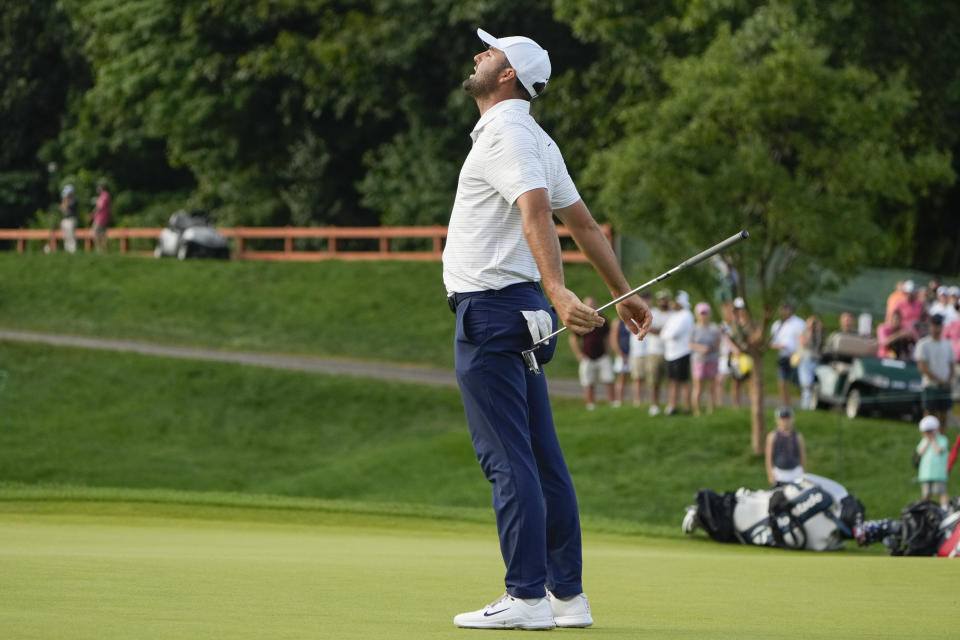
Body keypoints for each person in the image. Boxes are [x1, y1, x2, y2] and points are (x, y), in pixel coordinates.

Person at [443, 28, 650, 630]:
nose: (480, 54)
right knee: (541, 459)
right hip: (522, 311)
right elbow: (584, 225)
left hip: (493, 311)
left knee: (509, 461)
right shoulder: (533, 136)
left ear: (508, 74)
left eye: (491, 51)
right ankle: (567, 597)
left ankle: (527, 595)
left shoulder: (508, 133)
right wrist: (624, 294)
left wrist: (560, 290)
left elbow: (540, 214)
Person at [570, 297, 615, 410]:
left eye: (592, 304)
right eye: (588, 304)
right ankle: (591, 404)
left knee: (609, 379)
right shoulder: (581, 320)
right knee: (588, 381)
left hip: (602, 355)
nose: (591, 306)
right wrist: (579, 354)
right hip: (587, 355)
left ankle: (613, 402)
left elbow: (608, 336)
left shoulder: (602, 319)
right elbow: (574, 338)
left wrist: (609, 351)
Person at [915, 314, 955, 428]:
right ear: (930, 326)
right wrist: (939, 380)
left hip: (945, 386)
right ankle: (928, 442)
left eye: (939, 325)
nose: (937, 328)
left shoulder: (947, 344)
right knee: (929, 415)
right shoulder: (923, 344)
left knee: (943, 415)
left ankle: (942, 440)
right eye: (935, 325)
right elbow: (922, 367)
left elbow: (951, 365)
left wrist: (948, 380)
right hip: (930, 385)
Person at [661, 290, 694, 416]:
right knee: (672, 381)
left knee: (684, 381)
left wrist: (667, 334)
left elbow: (673, 333)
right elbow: (664, 333)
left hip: (682, 352)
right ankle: (672, 406)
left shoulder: (686, 315)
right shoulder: (674, 315)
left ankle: (686, 407)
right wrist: (667, 334)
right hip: (671, 353)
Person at [769, 301, 806, 408]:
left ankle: (804, 404)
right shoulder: (777, 325)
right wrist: (781, 346)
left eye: (787, 308)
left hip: (796, 357)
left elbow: (802, 339)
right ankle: (785, 405)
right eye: (783, 308)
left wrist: (798, 350)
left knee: (799, 382)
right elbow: (772, 342)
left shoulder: (798, 323)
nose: (785, 311)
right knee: (782, 382)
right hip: (783, 356)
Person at [689, 301, 721, 416]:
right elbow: (690, 344)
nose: (703, 316)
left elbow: (718, 341)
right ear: (697, 314)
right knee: (698, 386)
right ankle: (697, 410)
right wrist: (701, 348)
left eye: (705, 313)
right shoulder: (694, 328)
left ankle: (711, 409)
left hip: (712, 358)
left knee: (711, 386)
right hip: (698, 360)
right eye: (701, 313)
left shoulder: (713, 328)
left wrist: (711, 347)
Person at [764, 406, 807, 486]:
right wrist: (770, 475)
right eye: (782, 419)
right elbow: (768, 457)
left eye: (788, 419)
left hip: (795, 472)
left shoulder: (798, 436)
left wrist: (803, 472)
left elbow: (802, 455)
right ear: (777, 420)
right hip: (779, 473)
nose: (785, 421)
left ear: (792, 419)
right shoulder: (772, 436)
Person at [644, 290, 671, 415]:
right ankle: (654, 405)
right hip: (654, 352)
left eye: (665, 299)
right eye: (661, 299)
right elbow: (650, 328)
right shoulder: (653, 313)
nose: (663, 302)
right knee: (654, 381)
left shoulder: (674, 314)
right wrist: (665, 329)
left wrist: (661, 330)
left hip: (670, 352)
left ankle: (670, 404)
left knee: (670, 381)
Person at [915, 416, 949, 507]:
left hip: (938, 473)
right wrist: (927, 441)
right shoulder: (924, 440)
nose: (928, 433)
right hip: (925, 473)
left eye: (930, 431)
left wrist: (933, 439)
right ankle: (928, 510)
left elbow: (939, 450)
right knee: (926, 494)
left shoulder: (942, 439)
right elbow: (920, 452)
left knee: (941, 492)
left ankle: (945, 509)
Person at [796, 314, 824, 410]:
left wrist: (819, 328)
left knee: (812, 386)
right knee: (806, 385)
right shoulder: (803, 332)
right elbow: (804, 343)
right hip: (806, 360)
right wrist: (809, 329)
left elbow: (821, 344)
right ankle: (806, 407)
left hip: (816, 360)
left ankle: (808, 407)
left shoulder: (819, 333)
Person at [91, 179, 111, 252]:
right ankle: (103, 250)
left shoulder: (104, 195)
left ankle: (100, 249)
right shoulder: (105, 195)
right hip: (103, 218)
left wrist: (92, 214)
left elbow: (100, 207)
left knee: (95, 232)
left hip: (100, 218)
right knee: (102, 234)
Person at [59, 184, 78, 254]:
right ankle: (67, 251)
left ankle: (73, 251)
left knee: (71, 236)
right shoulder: (67, 200)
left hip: (71, 220)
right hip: (65, 220)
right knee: (65, 236)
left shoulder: (74, 200)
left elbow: (65, 206)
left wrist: (65, 199)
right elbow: (62, 208)